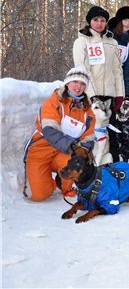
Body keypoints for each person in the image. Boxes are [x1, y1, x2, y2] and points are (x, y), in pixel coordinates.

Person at [23, 67, 96, 201]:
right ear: (67, 83)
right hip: (41, 149)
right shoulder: (54, 101)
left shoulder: (88, 111)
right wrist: (73, 147)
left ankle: (62, 183)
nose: (78, 86)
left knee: (74, 163)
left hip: (64, 153)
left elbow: (89, 136)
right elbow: (50, 130)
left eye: (82, 83)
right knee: (37, 195)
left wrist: (84, 148)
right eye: (75, 81)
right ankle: (43, 178)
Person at [73, 6, 125, 111]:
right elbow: (83, 70)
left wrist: (120, 95)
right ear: (89, 21)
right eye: (95, 20)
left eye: (102, 20)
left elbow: (117, 71)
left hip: (110, 97)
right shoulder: (82, 41)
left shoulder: (112, 42)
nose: (99, 23)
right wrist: (92, 95)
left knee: (109, 127)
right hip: (90, 96)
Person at [108, 6, 129, 98]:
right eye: (125, 20)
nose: (127, 23)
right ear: (119, 20)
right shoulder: (107, 36)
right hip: (104, 83)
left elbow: (127, 69)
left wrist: (126, 94)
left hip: (119, 84)